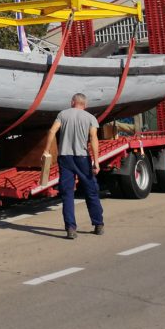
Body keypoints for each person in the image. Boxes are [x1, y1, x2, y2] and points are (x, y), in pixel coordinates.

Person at [44, 93, 104, 239]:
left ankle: (71, 228)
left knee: (67, 193)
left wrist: (46, 150)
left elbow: (52, 131)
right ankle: (98, 224)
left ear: (72, 102)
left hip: (65, 158)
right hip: (82, 158)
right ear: (85, 104)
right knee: (91, 191)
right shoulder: (90, 118)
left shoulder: (62, 114)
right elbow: (93, 138)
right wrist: (96, 161)